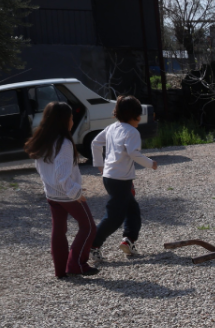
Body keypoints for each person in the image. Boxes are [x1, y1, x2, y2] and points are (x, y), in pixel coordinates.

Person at [24, 101, 98, 279]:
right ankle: (77, 265)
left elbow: (43, 170)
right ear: (64, 120)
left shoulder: (42, 141)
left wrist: (53, 187)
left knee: (58, 230)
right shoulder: (63, 143)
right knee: (88, 227)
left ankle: (61, 270)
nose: (73, 121)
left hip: (52, 194)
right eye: (71, 117)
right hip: (67, 195)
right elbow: (62, 175)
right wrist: (76, 193)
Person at [91, 95, 157, 260]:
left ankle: (129, 240)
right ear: (135, 115)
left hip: (110, 177)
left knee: (132, 209)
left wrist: (100, 165)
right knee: (114, 217)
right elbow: (134, 153)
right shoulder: (132, 132)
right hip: (120, 180)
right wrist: (151, 163)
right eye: (139, 115)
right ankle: (92, 245)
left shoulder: (112, 128)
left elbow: (95, 143)